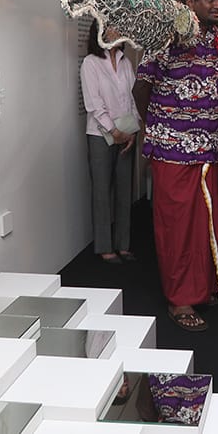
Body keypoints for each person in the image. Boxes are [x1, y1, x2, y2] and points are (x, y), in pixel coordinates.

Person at [135, 0, 218, 333]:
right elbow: (139, 88)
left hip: (207, 149)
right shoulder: (164, 39)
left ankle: (203, 287)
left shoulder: (217, 38)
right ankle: (180, 299)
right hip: (171, 151)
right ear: (190, 4)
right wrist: (158, 126)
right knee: (175, 227)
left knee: (204, 221)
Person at [81, 23, 139, 265]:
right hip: (100, 134)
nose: (118, 31)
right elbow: (93, 103)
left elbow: (132, 99)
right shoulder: (91, 63)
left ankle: (123, 245)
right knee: (102, 191)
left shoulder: (126, 61)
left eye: (119, 27)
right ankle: (105, 247)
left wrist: (133, 130)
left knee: (125, 190)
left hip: (126, 133)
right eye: (113, 27)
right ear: (101, 32)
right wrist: (113, 130)